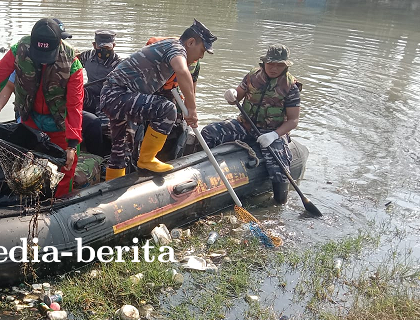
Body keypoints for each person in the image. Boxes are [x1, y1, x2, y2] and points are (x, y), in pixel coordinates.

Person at [0, 18, 83, 198]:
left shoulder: (72, 63)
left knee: (65, 170)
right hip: (30, 120)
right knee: (25, 168)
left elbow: (74, 106)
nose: (42, 61)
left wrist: (72, 145)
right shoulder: (19, 51)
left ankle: (59, 204)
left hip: (60, 125)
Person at [100, 19, 216, 181]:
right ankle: (147, 159)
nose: (201, 56)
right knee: (167, 109)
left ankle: (111, 186)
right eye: (202, 50)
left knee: (121, 149)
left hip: (114, 96)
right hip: (118, 95)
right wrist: (192, 109)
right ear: (191, 42)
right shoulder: (176, 48)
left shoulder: (170, 46)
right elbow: (182, 72)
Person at [200, 44, 301, 204]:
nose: (274, 68)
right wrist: (231, 95)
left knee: (279, 166)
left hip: (272, 131)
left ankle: (279, 203)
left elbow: (293, 120)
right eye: (271, 64)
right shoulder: (252, 76)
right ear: (264, 62)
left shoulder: (291, 87)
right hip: (245, 125)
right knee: (209, 132)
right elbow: (236, 98)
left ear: (285, 66)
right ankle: (205, 175)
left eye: (279, 65)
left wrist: (274, 135)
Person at [77, 29, 122, 156]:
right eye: (101, 47)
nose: (104, 51)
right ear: (94, 45)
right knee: (71, 101)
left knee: (106, 128)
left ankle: (104, 154)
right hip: (90, 93)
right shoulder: (87, 56)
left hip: (107, 97)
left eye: (107, 47)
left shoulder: (119, 64)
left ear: (114, 46)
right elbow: (73, 65)